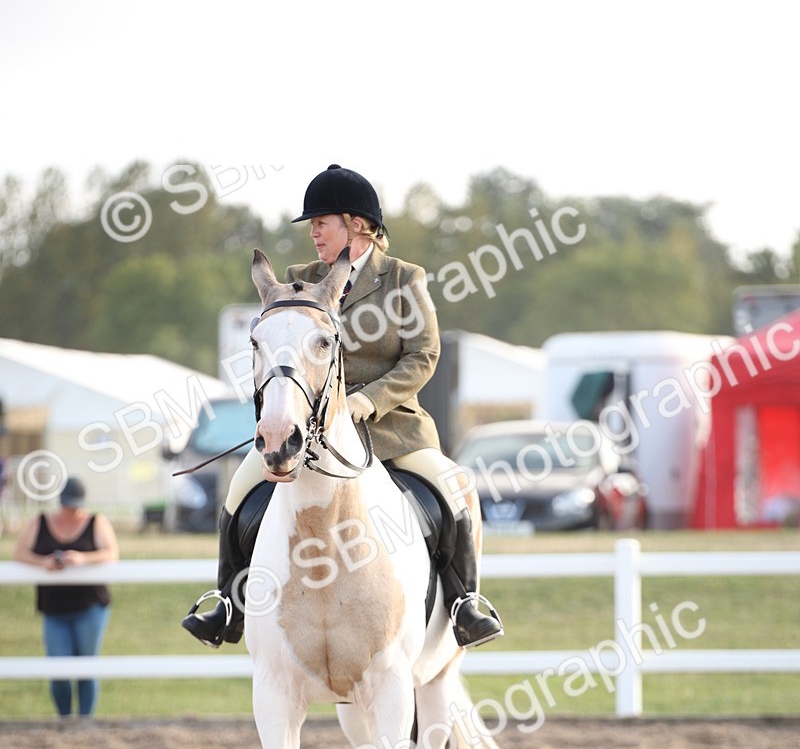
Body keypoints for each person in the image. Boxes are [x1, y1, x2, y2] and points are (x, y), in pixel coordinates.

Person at [182, 163, 503, 650]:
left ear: (356, 223)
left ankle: (464, 602)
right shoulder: (299, 280)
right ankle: (227, 603)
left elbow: (425, 355)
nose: (313, 232)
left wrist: (365, 401)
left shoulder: (403, 279)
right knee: (239, 492)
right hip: (309, 432)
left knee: (453, 488)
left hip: (392, 427)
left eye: (322, 221)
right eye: (311, 224)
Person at [13, 476, 119, 719]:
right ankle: (64, 717)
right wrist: (44, 563)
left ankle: (85, 719)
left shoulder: (96, 521)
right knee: (58, 669)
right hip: (54, 608)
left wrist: (81, 558)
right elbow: (19, 553)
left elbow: (111, 553)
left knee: (86, 666)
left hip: (90, 605)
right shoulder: (40, 521)